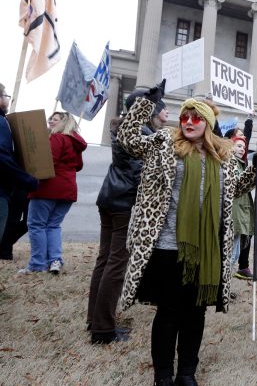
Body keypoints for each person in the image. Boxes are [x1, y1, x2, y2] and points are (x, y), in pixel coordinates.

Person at [116, 92, 257, 386]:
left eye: (196, 117)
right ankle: (163, 382)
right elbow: (127, 139)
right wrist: (145, 104)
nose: (189, 122)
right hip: (167, 246)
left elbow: (236, 188)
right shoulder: (163, 143)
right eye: (185, 117)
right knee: (169, 314)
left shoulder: (222, 155)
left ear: (208, 122)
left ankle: (187, 377)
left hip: (207, 249)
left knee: (195, 314)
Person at [87, 86, 167, 344]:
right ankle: (103, 329)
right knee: (116, 264)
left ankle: (95, 319)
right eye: (156, 108)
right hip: (124, 202)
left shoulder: (122, 128)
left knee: (105, 260)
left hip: (110, 197)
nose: (159, 113)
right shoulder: (140, 132)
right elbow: (139, 172)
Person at [19, 111, 87, 275]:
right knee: (53, 225)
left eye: (55, 120)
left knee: (36, 225)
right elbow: (78, 166)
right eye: (50, 118)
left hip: (48, 187)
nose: (50, 121)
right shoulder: (74, 141)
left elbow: (49, 160)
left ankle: (37, 265)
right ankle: (55, 260)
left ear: (64, 123)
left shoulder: (56, 138)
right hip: (68, 189)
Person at [0, 82, 39, 254]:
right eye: (5, 95)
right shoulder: (1, 123)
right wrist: (27, 179)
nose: (7, 99)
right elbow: (1, 156)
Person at [230, 136, 254, 280]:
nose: (242, 149)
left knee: (235, 254)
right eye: (239, 146)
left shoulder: (239, 164)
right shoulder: (231, 163)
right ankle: (221, 288)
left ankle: (224, 286)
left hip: (239, 214)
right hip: (234, 215)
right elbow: (239, 184)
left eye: (243, 147)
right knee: (231, 254)